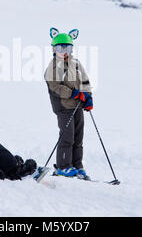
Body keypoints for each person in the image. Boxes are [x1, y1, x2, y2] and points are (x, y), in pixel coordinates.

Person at [44, 28, 93, 179]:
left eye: (68, 47)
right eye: (60, 48)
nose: (64, 51)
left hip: (77, 106)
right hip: (63, 107)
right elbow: (56, 87)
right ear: (54, 49)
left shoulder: (76, 63)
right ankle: (63, 166)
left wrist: (88, 96)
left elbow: (85, 80)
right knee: (67, 136)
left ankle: (77, 165)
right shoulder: (52, 68)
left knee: (78, 137)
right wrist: (74, 93)